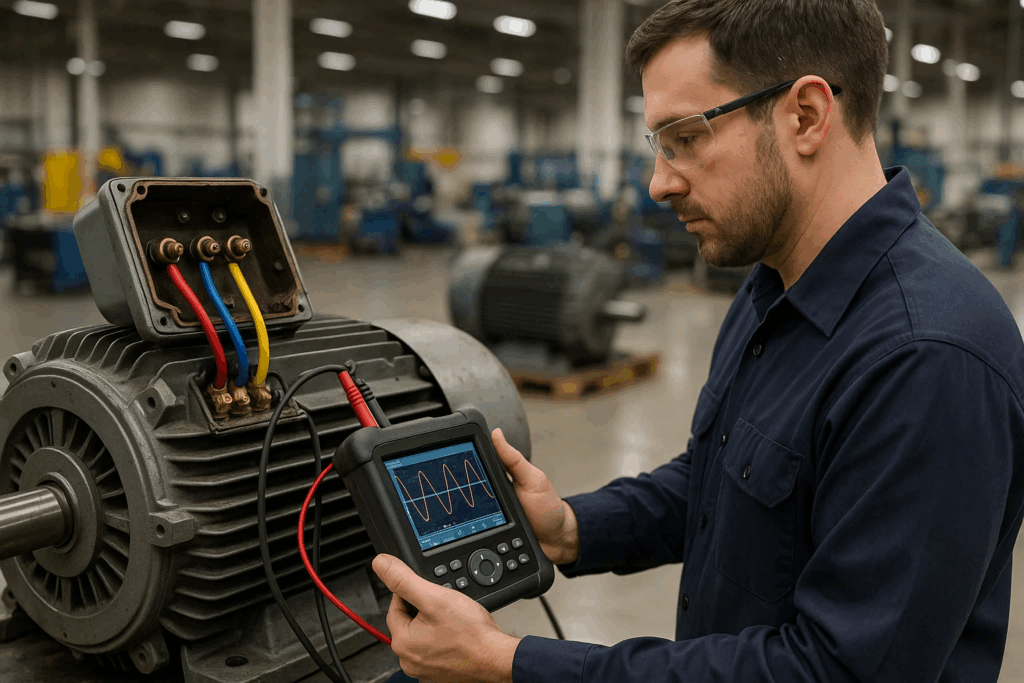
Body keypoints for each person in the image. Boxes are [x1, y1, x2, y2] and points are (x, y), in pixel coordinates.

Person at [374, 1, 1024, 681]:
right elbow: (716, 481)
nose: (660, 182)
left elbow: (833, 670)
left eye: (685, 136)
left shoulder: (927, 357)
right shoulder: (774, 283)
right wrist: (572, 526)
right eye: (658, 144)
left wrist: (510, 661)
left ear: (805, 115)